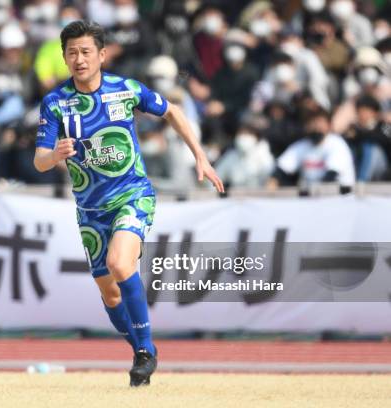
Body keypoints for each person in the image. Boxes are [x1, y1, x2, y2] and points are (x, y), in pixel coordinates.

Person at [33, 20, 223, 387]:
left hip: (132, 196)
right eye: (71, 52)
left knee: (120, 263)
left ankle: (146, 352)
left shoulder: (125, 90)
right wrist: (54, 154)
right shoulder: (55, 102)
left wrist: (200, 155)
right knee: (109, 291)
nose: (79, 59)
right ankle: (138, 350)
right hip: (90, 210)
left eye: (86, 51)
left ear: (102, 55)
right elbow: (39, 160)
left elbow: (173, 111)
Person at [268, 108, 355, 192]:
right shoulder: (302, 145)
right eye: (312, 123)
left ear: (329, 125)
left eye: (319, 123)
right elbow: (281, 169)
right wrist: (272, 183)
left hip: (339, 198)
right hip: (313, 199)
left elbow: (330, 178)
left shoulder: (337, 144)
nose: (316, 127)